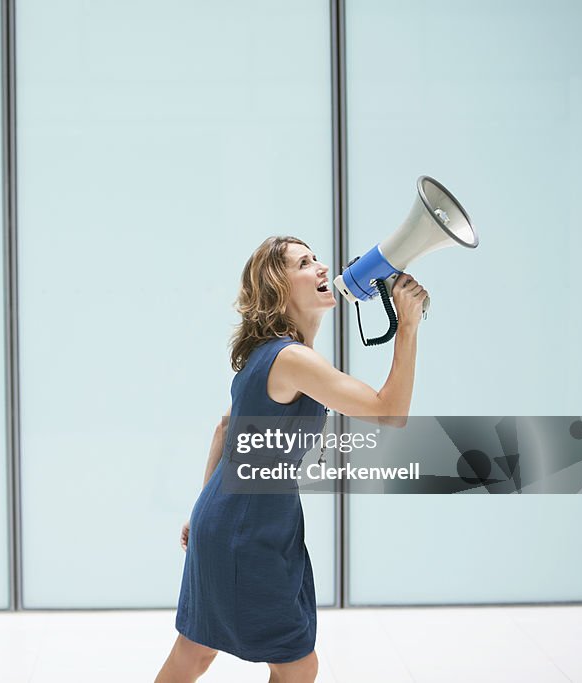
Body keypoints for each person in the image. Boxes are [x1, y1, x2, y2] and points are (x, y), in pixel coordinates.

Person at [154, 236, 427, 683]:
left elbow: (224, 428)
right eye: (305, 263)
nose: (322, 268)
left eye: (317, 258)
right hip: (250, 533)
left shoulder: (266, 357)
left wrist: (203, 512)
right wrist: (409, 328)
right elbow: (389, 413)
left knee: (195, 651)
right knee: (297, 664)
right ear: (279, 287)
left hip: (231, 522)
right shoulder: (292, 358)